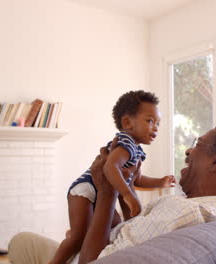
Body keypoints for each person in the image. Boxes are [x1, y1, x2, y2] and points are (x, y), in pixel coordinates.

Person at [0, 123, 216, 264]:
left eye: (198, 145)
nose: (188, 152)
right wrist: (112, 204)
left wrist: (106, 194)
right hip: (93, 247)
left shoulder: (184, 214)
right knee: (21, 241)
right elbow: (123, 234)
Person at [51, 90, 175, 264]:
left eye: (158, 123)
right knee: (77, 237)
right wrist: (127, 194)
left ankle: (79, 235)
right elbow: (110, 167)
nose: (155, 127)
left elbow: (136, 179)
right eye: (150, 121)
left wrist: (159, 182)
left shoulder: (136, 150)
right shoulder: (125, 143)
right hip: (85, 189)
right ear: (127, 122)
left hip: (101, 192)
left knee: (113, 228)